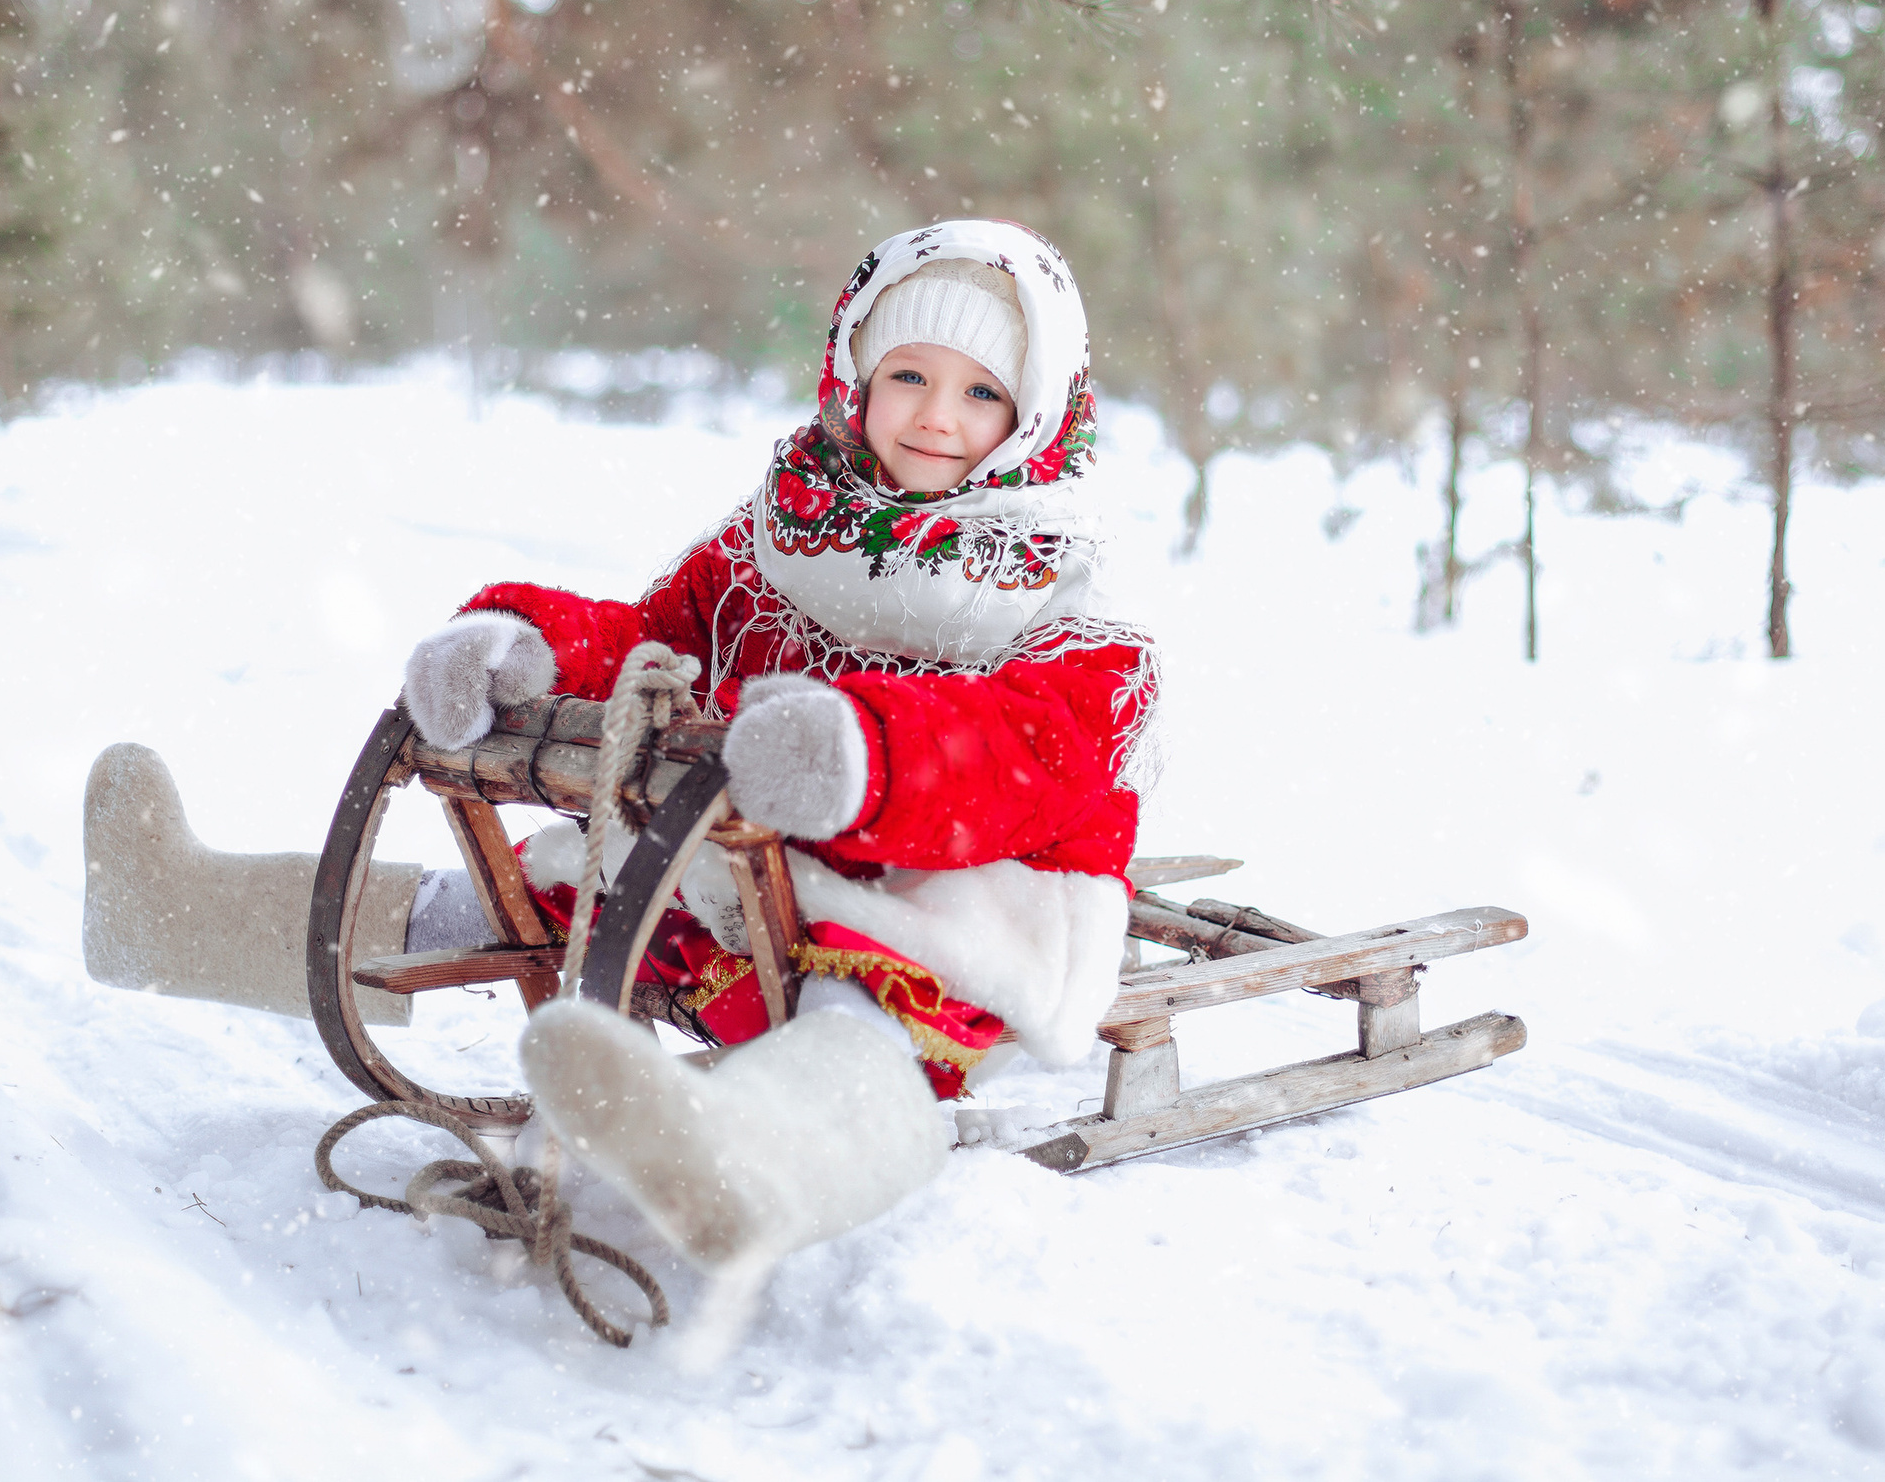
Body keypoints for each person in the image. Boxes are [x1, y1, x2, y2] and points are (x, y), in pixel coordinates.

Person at [82, 219, 1153, 1286]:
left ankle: (758, 1161)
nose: (934, 415)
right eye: (909, 373)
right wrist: (530, 644)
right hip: (742, 853)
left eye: (981, 393)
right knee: (519, 902)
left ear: (1034, 417)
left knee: (868, 999)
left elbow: (1041, 747)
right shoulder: (791, 530)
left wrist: (867, 754)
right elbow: (658, 641)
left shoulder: (1064, 590)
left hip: (953, 882)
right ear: (854, 371)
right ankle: (177, 913)